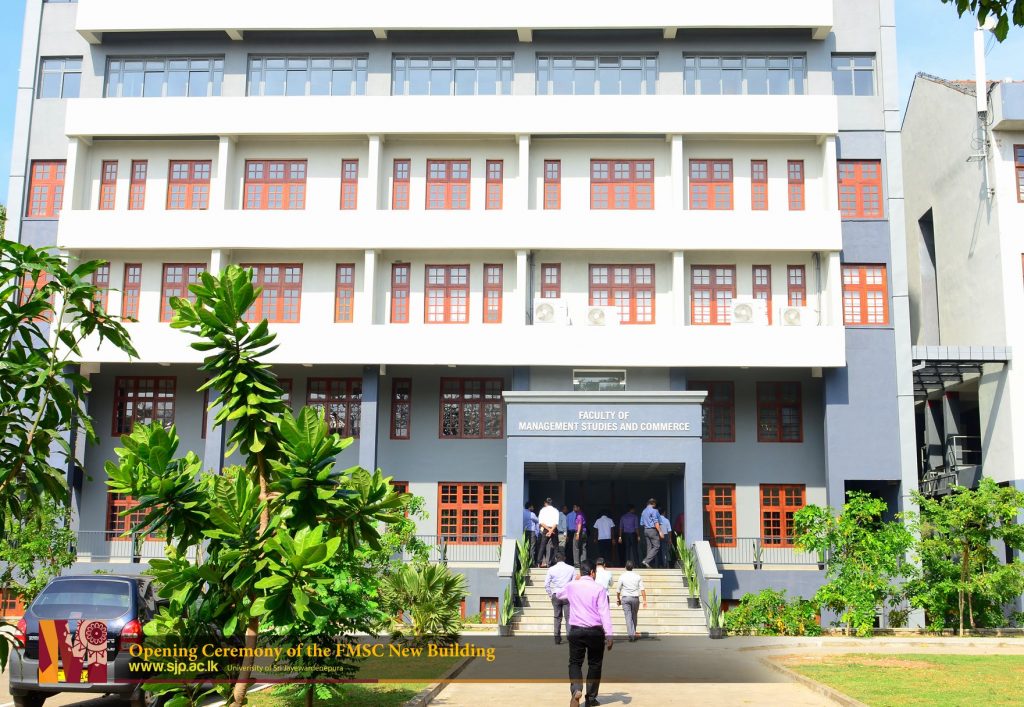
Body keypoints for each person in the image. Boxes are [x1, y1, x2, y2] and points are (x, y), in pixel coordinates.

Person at [556, 560, 613, 707]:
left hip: (576, 630)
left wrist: (574, 581)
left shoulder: (572, 586)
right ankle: (591, 698)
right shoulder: (599, 589)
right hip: (595, 631)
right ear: (593, 573)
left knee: (575, 663)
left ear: (580, 573)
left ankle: (576, 688)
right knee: (595, 664)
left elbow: (559, 594)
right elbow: (604, 612)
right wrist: (609, 634)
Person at [544, 550, 576, 644]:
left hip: (556, 594)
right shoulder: (571, 568)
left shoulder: (551, 569)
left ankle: (557, 637)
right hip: (567, 595)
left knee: (557, 617)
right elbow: (574, 583)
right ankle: (569, 636)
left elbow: (546, 584)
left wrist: (551, 594)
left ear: (555, 559)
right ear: (564, 558)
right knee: (568, 617)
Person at [615, 560, 648, 642]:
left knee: (628, 617)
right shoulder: (637, 576)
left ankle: (631, 635)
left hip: (626, 598)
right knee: (634, 616)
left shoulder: (622, 576)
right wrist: (644, 600)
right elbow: (642, 589)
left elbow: (618, 590)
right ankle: (633, 633)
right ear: (633, 567)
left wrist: (618, 598)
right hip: (635, 598)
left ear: (625, 567)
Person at [537, 498, 561, 568]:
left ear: (546, 503)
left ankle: (538, 562)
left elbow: (541, 522)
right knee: (556, 546)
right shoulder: (556, 510)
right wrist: (551, 530)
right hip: (554, 529)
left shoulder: (542, 510)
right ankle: (556, 562)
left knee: (542, 546)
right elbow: (556, 523)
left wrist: (548, 530)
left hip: (545, 529)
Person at [640, 498, 663, 569]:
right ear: (654, 503)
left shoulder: (643, 511)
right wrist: (660, 531)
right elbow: (656, 522)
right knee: (657, 546)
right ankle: (646, 561)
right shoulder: (654, 511)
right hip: (653, 530)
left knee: (649, 547)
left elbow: (641, 523)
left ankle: (647, 564)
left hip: (646, 530)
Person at [523, 502, 539, 567]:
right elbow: (537, 521)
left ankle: (525, 562)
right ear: (529, 507)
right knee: (532, 547)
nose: (533, 508)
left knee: (525, 547)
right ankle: (532, 563)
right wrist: (537, 532)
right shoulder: (532, 514)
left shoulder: (522, 513)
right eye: (532, 507)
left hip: (524, 532)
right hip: (531, 532)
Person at [572, 503, 588, 568]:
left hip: (579, 532)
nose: (574, 509)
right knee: (583, 547)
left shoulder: (579, 515)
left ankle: (576, 563)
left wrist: (578, 533)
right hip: (584, 532)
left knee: (576, 547)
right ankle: (584, 563)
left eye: (575, 507)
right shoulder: (582, 514)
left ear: (578, 508)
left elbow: (579, 523)